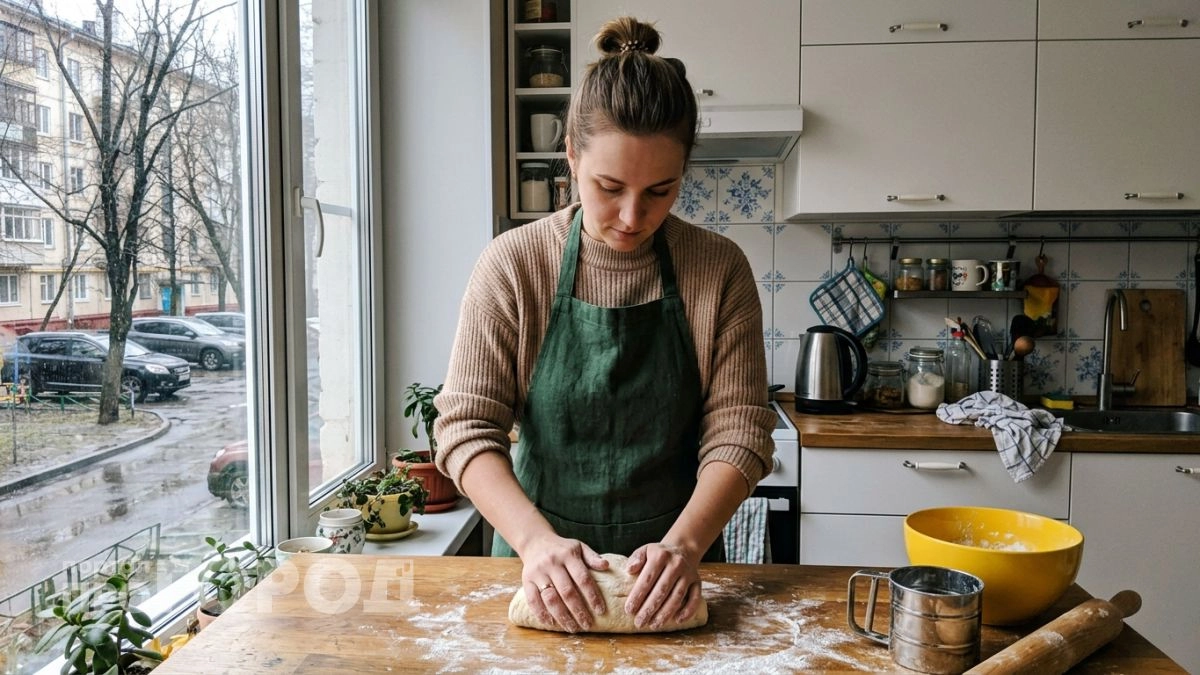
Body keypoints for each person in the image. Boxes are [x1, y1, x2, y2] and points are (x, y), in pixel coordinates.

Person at [434, 16, 775, 634]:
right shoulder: (515, 265)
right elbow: (466, 428)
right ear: (570, 156)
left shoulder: (718, 269)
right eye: (609, 186)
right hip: (538, 564)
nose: (631, 215)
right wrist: (536, 543)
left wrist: (685, 547)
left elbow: (739, 431)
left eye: (660, 191)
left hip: (671, 569)